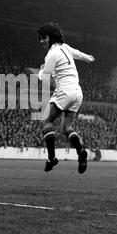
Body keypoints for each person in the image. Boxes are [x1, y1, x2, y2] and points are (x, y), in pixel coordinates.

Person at [36, 22, 94, 173]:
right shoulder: (65, 47)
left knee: (46, 120)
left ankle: (51, 157)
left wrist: (40, 71)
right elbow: (79, 54)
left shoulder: (52, 54)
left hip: (64, 91)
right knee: (65, 127)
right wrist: (88, 58)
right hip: (77, 92)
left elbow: (46, 77)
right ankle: (81, 151)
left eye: (43, 38)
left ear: (51, 36)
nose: (41, 41)